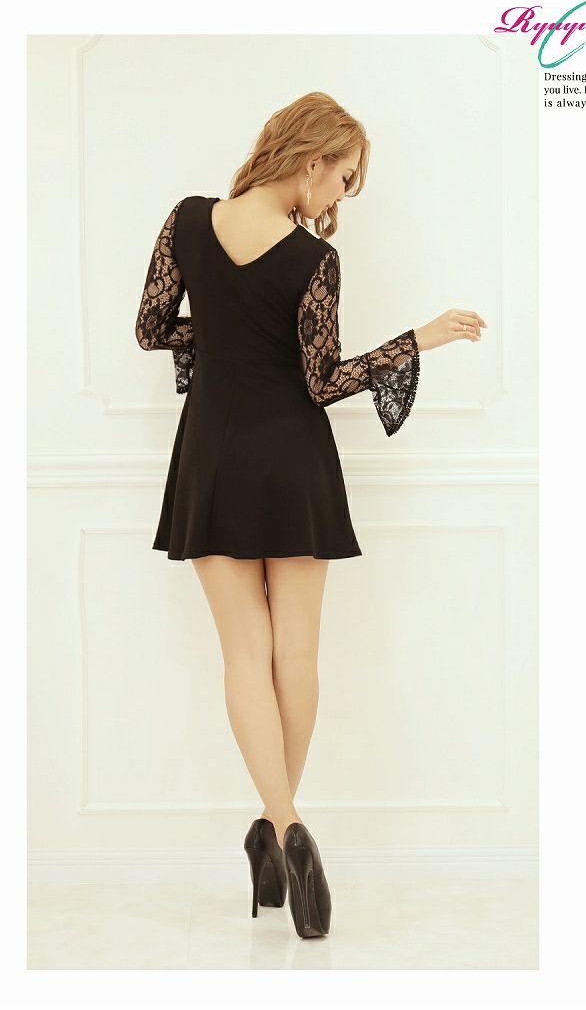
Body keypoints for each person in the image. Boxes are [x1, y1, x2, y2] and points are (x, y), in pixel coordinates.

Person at [134, 91, 487, 938]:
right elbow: (322, 381)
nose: (341, 196)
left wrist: (222, 337)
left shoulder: (187, 221)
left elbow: (151, 328)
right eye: (344, 178)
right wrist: (418, 339)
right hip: (293, 462)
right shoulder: (311, 261)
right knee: (295, 653)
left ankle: (279, 824)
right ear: (311, 160)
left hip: (212, 458)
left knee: (242, 654)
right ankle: (284, 826)